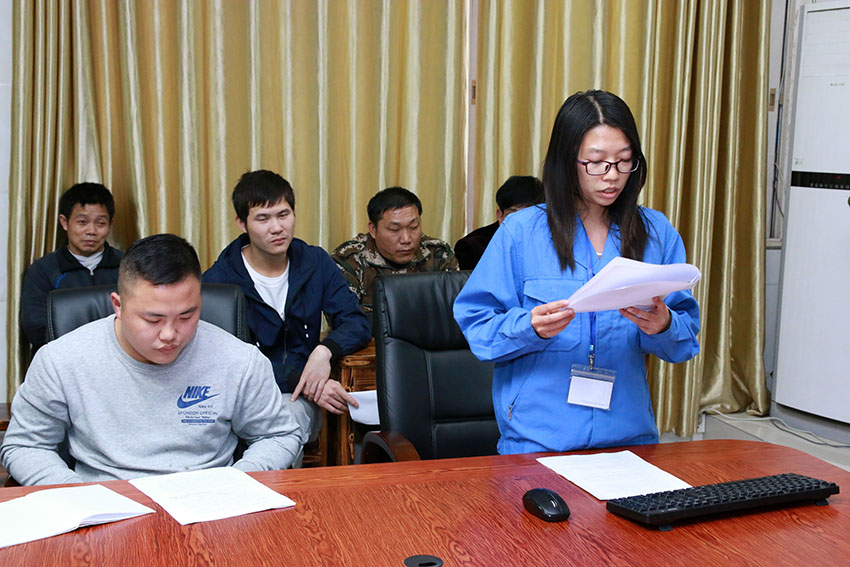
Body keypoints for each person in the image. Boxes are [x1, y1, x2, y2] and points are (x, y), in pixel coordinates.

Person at [453, 90, 700, 455]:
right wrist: (529, 327)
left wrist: (663, 325)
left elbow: (685, 339)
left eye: (624, 161)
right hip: (537, 440)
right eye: (597, 163)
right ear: (567, 161)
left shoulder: (656, 232)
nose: (612, 177)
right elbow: (477, 325)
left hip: (628, 437)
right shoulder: (521, 232)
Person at [0, 234, 301, 485]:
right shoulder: (61, 361)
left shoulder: (239, 360)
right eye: (153, 319)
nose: (170, 334)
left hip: (208, 505)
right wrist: (77, 495)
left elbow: (279, 435)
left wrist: (237, 482)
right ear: (118, 305)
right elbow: (25, 445)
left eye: (186, 316)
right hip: (104, 505)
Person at [203, 170, 371, 451]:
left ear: (294, 213)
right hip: (240, 398)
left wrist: (325, 350)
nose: (277, 228)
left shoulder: (315, 262)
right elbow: (223, 360)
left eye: (283, 215)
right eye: (263, 219)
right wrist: (306, 382)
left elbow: (357, 322)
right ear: (242, 224)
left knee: (286, 418)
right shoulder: (218, 280)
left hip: (295, 400)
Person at [20, 182, 123, 353]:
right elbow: (36, 329)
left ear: (110, 224)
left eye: (100, 223)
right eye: (82, 222)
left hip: (118, 356)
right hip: (63, 358)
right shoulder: (42, 270)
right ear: (64, 222)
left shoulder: (128, 266)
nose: (91, 231)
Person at [331, 187, 458, 315]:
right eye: (394, 230)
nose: (406, 239)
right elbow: (347, 318)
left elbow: (458, 310)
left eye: (413, 227)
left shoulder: (438, 253)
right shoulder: (350, 260)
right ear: (373, 229)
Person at [454, 176, 544, 270]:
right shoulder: (473, 247)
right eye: (514, 216)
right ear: (500, 216)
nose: (521, 223)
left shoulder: (550, 243)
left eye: (528, 216)